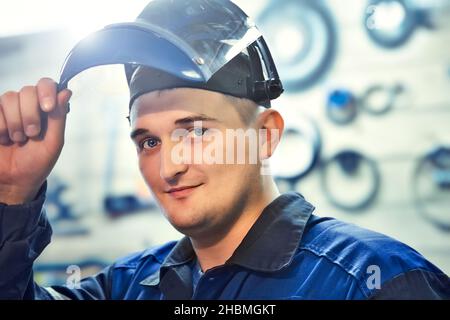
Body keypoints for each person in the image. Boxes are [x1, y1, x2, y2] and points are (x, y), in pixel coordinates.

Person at [0, 0, 449, 300]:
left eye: (195, 131)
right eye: (150, 141)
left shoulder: (377, 283)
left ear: (266, 135)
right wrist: (14, 194)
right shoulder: (130, 287)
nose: (169, 167)